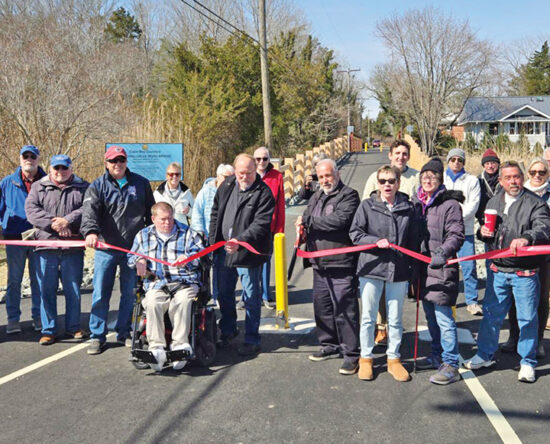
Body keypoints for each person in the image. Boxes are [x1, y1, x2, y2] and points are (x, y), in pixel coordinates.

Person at [464, 161, 550, 383]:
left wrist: (527, 238)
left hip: (525, 272)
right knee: (491, 315)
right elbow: (489, 232)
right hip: (498, 270)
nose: (513, 181)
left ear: (522, 178)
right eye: (508, 178)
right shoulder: (494, 201)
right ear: (501, 181)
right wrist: (482, 233)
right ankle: (485, 355)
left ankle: (528, 362)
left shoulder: (536, 203)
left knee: (527, 318)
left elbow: (543, 227)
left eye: (516, 177)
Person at [81, 145, 155, 355]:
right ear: (106, 163)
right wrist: (90, 232)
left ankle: (125, 332)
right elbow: (89, 212)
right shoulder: (97, 186)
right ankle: (97, 336)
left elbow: (150, 214)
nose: (118, 164)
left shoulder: (141, 183)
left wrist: (152, 240)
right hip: (106, 248)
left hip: (133, 249)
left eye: (121, 160)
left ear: (126, 162)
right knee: (100, 293)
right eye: (113, 161)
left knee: (130, 293)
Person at [350, 165, 419, 382]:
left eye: (391, 181)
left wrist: (414, 269)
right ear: (377, 183)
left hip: (398, 269)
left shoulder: (409, 208)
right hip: (371, 268)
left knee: (395, 318)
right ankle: (366, 358)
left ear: (398, 183)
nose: (387, 185)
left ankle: (394, 359)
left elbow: (414, 239)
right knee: (368, 317)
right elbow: (355, 234)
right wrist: (374, 241)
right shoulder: (366, 206)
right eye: (382, 181)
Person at [296, 159, 361, 375]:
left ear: (337, 174)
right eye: (321, 176)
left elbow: (339, 221)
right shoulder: (317, 195)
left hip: (341, 262)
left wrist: (309, 223)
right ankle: (328, 344)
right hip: (319, 263)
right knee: (322, 306)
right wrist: (305, 222)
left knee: (345, 309)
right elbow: (306, 214)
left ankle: (351, 354)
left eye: (328, 175)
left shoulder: (349, 195)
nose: (325, 180)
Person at [209, 154, 274, 356]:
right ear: (235, 171)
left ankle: (252, 338)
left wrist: (240, 241)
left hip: (248, 254)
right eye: (241, 173)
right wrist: (212, 242)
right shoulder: (227, 185)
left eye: (249, 173)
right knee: (224, 293)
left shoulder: (264, 193)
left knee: (251, 296)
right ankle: (228, 330)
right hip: (224, 251)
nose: (244, 177)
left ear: (256, 171)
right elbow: (215, 212)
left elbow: (261, 224)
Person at [128, 202, 204, 371]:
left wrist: (189, 258)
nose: (167, 222)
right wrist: (139, 260)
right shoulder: (143, 235)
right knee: (152, 302)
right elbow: (131, 256)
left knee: (182, 301)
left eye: (170, 218)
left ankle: (180, 345)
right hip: (157, 282)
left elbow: (202, 254)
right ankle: (156, 348)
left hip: (184, 281)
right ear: (153, 219)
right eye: (163, 219)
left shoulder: (188, 233)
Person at [25, 155, 88, 345]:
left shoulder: (83, 187)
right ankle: (48, 330)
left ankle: (73, 327)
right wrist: (54, 224)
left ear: (71, 168)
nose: (60, 172)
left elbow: (88, 209)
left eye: (64, 168)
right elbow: (31, 211)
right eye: (56, 168)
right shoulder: (39, 186)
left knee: (73, 290)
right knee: (46, 290)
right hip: (46, 247)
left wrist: (67, 220)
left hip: (72, 247)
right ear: (51, 169)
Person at [412, 157, 465, 385]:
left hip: (441, 268)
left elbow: (456, 234)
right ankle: (437, 356)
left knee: (444, 319)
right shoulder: (417, 203)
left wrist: (442, 252)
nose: (428, 180)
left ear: (440, 180)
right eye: (425, 176)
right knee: (430, 317)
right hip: (422, 270)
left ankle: (451, 364)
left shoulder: (449, 205)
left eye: (433, 177)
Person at [362, 139, 420, 345]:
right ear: (390, 155)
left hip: (402, 241)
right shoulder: (375, 176)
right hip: (379, 242)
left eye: (404, 154)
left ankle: (394, 329)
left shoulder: (416, 177)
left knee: (396, 292)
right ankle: (381, 327)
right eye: (397, 153)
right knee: (378, 291)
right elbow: (366, 205)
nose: (400, 157)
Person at [499, 158, 550, 359]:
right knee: (515, 297)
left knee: (541, 298)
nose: (537, 175)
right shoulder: (519, 192)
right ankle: (514, 336)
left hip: (544, 255)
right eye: (533, 172)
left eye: (542, 172)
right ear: (527, 174)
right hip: (521, 255)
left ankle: (537, 340)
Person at [0, 145, 46, 334]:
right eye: (25, 156)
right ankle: (13, 319)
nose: (29, 159)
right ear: (20, 159)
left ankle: (38, 317)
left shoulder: (47, 181)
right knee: (14, 280)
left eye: (32, 156)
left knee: (39, 280)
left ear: (38, 159)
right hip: (14, 239)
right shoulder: (7, 182)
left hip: (39, 238)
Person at [443, 148, 482, 316]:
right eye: (453, 159)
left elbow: (473, 205)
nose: (456, 163)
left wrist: (455, 217)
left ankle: (472, 301)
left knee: (468, 266)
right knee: (445, 266)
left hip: (465, 230)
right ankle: (445, 298)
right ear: (448, 161)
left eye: (459, 160)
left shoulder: (472, 180)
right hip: (444, 232)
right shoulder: (441, 179)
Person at [191, 163, 234, 304]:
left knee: (220, 269)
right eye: (226, 177)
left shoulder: (234, 191)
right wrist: (200, 233)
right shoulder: (205, 192)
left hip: (224, 238)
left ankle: (218, 296)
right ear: (218, 176)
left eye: (232, 177)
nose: (229, 180)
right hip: (207, 237)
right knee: (204, 269)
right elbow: (197, 213)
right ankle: (205, 296)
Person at [253, 146, 285, 309]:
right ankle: (249, 296)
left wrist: (279, 230)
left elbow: (280, 204)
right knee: (249, 262)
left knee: (265, 262)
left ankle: (266, 295)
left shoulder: (277, 176)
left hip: (268, 227)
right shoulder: (249, 174)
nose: (261, 162)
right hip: (250, 227)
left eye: (265, 159)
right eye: (258, 159)